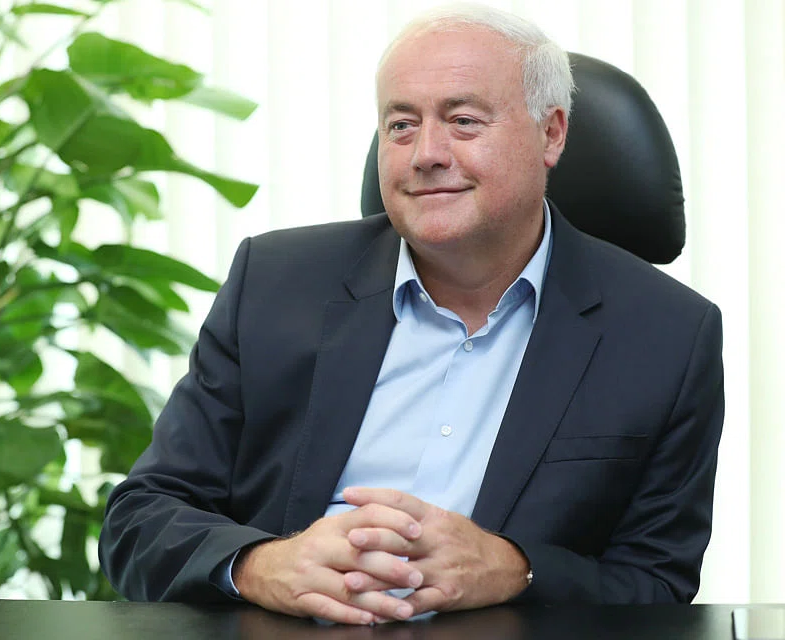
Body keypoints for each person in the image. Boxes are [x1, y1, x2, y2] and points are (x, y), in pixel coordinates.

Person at [99, 2, 724, 625]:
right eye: (401, 125)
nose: (426, 153)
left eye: (463, 121)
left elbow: (656, 582)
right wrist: (262, 566)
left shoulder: (667, 336)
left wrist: (516, 570)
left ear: (551, 134)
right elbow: (141, 519)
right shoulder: (274, 284)